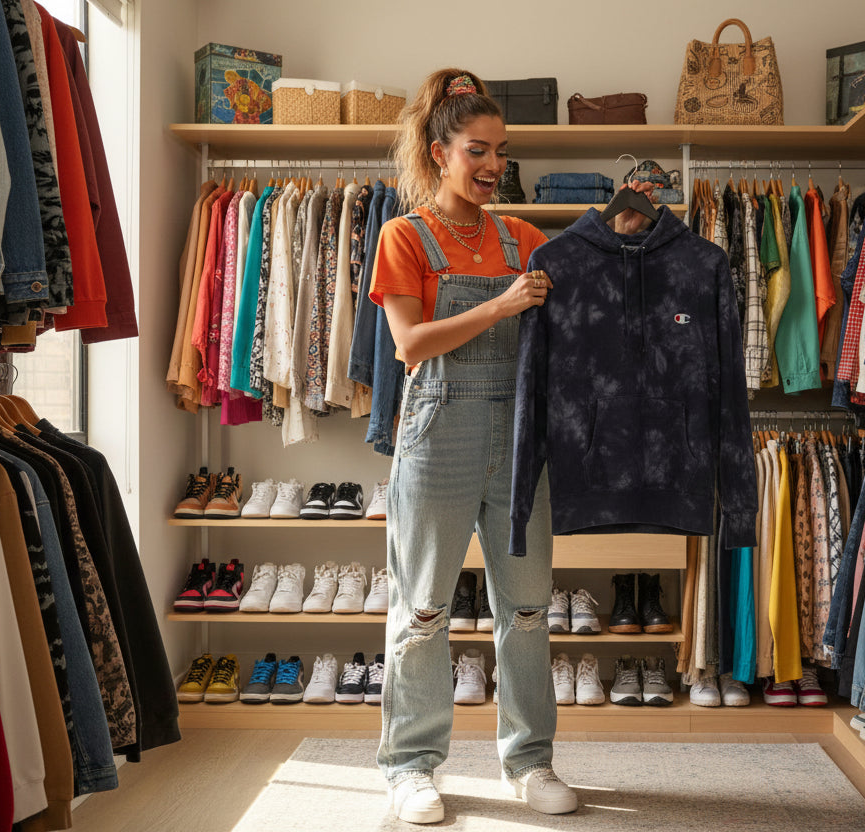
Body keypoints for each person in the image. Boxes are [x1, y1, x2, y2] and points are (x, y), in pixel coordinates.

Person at [369, 67, 654, 825]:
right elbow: (410, 344)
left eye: (501, 150)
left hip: (522, 438)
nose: (494, 165)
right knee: (423, 609)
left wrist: (620, 241)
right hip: (437, 432)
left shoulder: (521, 236)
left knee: (527, 610)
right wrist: (501, 302)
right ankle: (409, 767)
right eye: (477, 150)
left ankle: (530, 762)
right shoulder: (406, 237)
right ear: (439, 152)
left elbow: (586, 303)